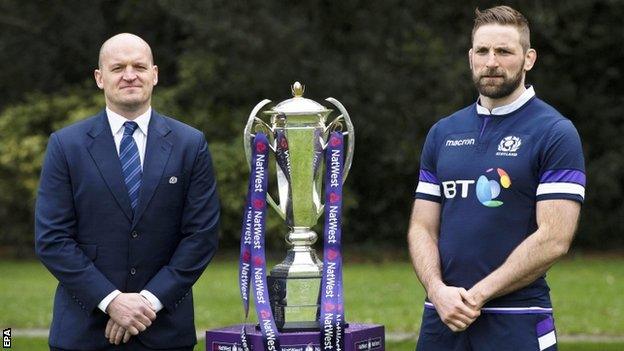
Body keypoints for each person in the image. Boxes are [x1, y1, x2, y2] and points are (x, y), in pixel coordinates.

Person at [407, 6, 585, 351]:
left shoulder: (555, 132)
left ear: (528, 58)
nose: (491, 61)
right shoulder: (443, 132)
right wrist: (436, 290)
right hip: (442, 316)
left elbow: (554, 238)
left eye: (504, 51)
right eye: (482, 51)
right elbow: (422, 227)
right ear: (470, 56)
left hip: (516, 316)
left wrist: (479, 294)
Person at [35, 33, 220, 351]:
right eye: (118, 67)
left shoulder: (190, 145)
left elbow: (200, 237)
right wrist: (111, 302)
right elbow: (52, 239)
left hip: (165, 332)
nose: (130, 75)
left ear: (155, 74)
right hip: (83, 332)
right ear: (99, 78)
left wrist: (147, 302)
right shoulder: (66, 146)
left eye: (139, 66)